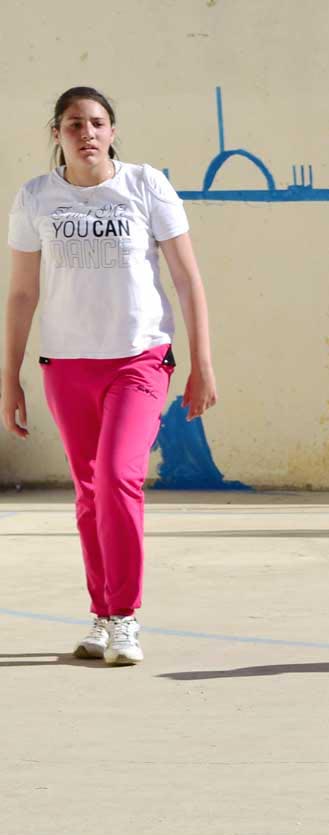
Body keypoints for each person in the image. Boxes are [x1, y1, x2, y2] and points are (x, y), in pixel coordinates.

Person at [4, 86, 218, 665]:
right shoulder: (35, 198)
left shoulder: (146, 186)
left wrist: (202, 363)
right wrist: (10, 377)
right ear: (57, 134)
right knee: (89, 493)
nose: (88, 133)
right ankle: (100, 617)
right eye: (75, 124)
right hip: (67, 367)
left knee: (120, 479)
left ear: (113, 132)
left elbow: (187, 279)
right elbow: (22, 293)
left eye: (98, 123)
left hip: (140, 361)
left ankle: (125, 618)